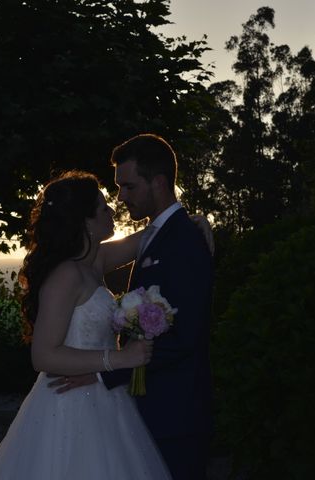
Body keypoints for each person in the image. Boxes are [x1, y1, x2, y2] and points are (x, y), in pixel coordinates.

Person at [0, 170, 172, 479]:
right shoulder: (66, 275)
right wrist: (116, 359)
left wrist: (194, 222)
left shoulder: (94, 261)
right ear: (86, 221)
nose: (112, 211)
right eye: (103, 207)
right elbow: (43, 355)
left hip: (105, 396)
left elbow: (154, 235)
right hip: (68, 406)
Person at [53, 134, 214, 480]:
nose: (120, 197)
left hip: (173, 415)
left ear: (158, 182)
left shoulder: (185, 241)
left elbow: (184, 338)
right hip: (141, 409)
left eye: (127, 186)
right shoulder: (155, 234)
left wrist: (105, 372)